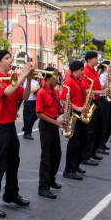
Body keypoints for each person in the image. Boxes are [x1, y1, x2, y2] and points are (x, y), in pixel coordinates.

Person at [0, 50, 33, 219]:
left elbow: (24, 97)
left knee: (14, 161)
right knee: (0, 164)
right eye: (7, 58)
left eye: (10, 58)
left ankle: (11, 194)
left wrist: (29, 78)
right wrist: (23, 74)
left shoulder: (12, 77)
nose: (10, 60)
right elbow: (8, 92)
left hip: (9, 125)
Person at [35, 67, 63, 199]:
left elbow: (58, 110)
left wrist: (65, 109)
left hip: (54, 124)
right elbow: (39, 113)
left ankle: (51, 179)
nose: (57, 79)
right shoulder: (41, 92)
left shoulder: (55, 92)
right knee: (46, 157)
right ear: (47, 78)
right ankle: (43, 187)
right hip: (47, 125)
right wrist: (56, 122)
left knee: (57, 154)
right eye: (54, 76)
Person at [60, 61, 87, 180]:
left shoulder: (79, 80)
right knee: (74, 143)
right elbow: (63, 100)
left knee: (81, 141)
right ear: (76, 70)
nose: (83, 72)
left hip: (80, 113)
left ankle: (76, 165)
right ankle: (69, 169)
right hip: (73, 114)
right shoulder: (69, 81)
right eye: (82, 70)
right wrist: (78, 108)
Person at [80, 51, 107, 166]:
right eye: (96, 58)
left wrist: (107, 81)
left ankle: (92, 152)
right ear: (90, 59)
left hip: (96, 100)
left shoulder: (95, 72)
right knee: (90, 130)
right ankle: (86, 155)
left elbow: (99, 87)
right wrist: (101, 91)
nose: (98, 60)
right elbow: (85, 90)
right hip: (90, 102)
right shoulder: (86, 72)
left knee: (98, 128)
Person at [97, 62, 111, 153]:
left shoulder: (108, 76)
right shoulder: (102, 76)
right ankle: (100, 145)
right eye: (110, 66)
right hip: (102, 99)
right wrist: (108, 80)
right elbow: (101, 89)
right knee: (104, 124)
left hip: (108, 100)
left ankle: (103, 143)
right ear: (105, 68)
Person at [21, 76, 40, 140]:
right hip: (28, 101)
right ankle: (27, 133)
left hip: (35, 101)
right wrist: (37, 88)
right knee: (27, 117)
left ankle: (26, 128)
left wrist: (39, 88)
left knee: (34, 116)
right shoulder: (27, 81)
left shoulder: (36, 81)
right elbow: (28, 91)